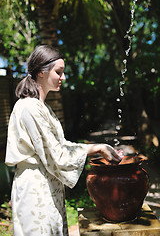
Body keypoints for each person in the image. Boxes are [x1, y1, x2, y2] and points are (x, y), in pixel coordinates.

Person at [5, 45, 121, 236]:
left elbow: (61, 146)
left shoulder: (44, 109)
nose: (63, 77)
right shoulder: (29, 108)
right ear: (41, 72)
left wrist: (101, 149)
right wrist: (97, 148)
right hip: (35, 191)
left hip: (49, 188)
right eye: (58, 72)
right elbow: (57, 154)